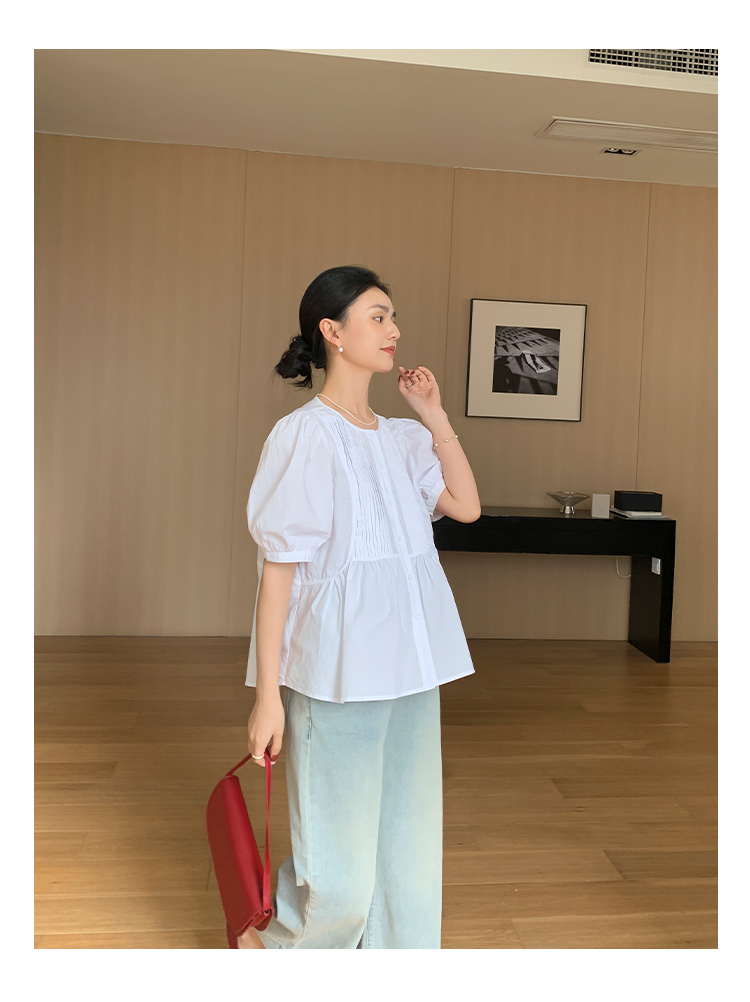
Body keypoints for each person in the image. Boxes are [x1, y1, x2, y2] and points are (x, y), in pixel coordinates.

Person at [239, 265, 481, 949]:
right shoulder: (304, 436)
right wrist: (267, 698)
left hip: (412, 668)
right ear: (332, 331)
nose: (393, 329)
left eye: (393, 316)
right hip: (337, 674)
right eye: (378, 316)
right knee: (337, 872)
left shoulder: (404, 439)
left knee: (408, 851)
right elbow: (278, 575)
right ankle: (274, 954)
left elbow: (466, 507)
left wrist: (434, 415)